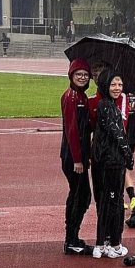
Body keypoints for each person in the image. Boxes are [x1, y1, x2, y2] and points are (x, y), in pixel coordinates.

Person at [91, 69, 133, 259]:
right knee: (114, 203)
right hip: (113, 163)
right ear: (105, 85)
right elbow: (117, 134)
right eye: (113, 84)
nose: (117, 88)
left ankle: (103, 242)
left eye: (120, 84)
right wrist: (128, 154)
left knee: (106, 203)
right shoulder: (107, 107)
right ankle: (114, 244)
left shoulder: (105, 106)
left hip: (105, 161)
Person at [60, 58, 93, 255]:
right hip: (73, 157)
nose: (82, 77)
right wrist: (78, 159)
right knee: (80, 196)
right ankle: (71, 239)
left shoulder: (82, 97)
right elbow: (72, 130)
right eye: (78, 74)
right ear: (71, 76)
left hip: (78, 155)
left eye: (85, 75)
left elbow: (85, 127)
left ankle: (72, 237)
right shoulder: (71, 97)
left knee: (81, 195)